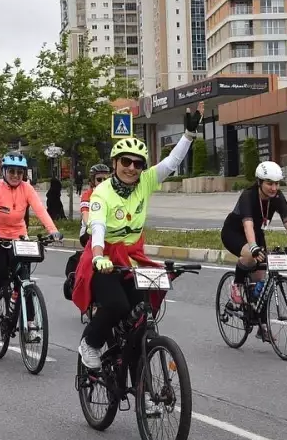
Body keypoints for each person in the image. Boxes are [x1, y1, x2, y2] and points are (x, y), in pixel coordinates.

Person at [74, 103, 203, 377]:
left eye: (138, 163)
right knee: (117, 305)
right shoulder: (102, 193)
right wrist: (98, 256)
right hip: (104, 260)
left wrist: (189, 135)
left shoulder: (145, 182)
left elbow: (171, 164)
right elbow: (97, 228)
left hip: (132, 259)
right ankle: (90, 343)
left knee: (142, 312)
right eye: (126, 162)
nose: (132, 168)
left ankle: (136, 374)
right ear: (114, 164)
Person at [220, 161, 287, 341]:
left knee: (260, 282)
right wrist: (252, 247)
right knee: (250, 257)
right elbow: (247, 223)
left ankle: (261, 325)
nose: (274, 187)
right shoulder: (248, 195)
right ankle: (236, 284)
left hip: (257, 232)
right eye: (269, 183)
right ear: (259, 182)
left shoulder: (277, 197)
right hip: (234, 232)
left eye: (276, 183)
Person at [0, 152, 63, 342]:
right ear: (4, 171)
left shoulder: (27, 189)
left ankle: (31, 326)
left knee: (25, 280)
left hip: (19, 235)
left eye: (19, 172)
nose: (16, 175)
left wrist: (53, 230)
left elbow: (40, 210)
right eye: (12, 171)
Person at [63, 162, 110, 300]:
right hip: (88, 232)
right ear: (92, 181)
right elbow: (85, 214)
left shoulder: (112, 194)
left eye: (106, 179)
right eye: (99, 179)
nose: (102, 182)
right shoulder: (88, 194)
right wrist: (93, 226)